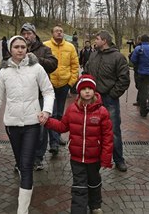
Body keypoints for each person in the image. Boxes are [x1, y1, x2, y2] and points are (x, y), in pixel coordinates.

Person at [0, 36, 55, 214]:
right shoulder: (4, 72)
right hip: (12, 124)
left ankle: (22, 210)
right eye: (16, 47)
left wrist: (46, 111)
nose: (20, 50)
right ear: (10, 50)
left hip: (32, 123)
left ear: (27, 49)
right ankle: (26, 188)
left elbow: (48, 91)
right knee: (20, 162)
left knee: (26, 164)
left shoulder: (36, 68)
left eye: (23, 46)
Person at [44, 74, 112, 214]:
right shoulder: (72, 109)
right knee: (79, 186)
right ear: (79, 91)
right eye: (84, 89)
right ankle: (78, 210)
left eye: (90, 88)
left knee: (94, 183)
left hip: (94, 157)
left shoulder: (102, 112)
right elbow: (63, 126)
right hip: (76, 158)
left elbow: (107, 137)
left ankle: (95, 205)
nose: (87, 91)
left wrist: (106, 158)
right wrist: (47, 121)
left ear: (94, 91)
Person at [83, 30, 130, 172]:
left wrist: (112, 94)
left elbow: (124, 79)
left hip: (109, 99)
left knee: (113, 130)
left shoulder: (118, 57)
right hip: (92, 98)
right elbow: (86, 71)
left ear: (104, 41)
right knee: (91, 129)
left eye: (97, 39)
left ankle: (119, 159)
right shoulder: (93, 54)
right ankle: (93, 159)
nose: (94, 41)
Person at [20, 22, 58, 170]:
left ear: (34, 34)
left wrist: (37, 59)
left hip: (40, 94)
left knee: (41, 128)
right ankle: (24, 157)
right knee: (24, 127)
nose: (26, 36)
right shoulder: (17, 48)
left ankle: (38, 157)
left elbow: (53, 64)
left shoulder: (44, 49)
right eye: (24, 33)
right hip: (23, 94)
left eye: (28, 33)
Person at [44, 24, 79, 155]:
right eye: (56, 31)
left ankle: (57, 137)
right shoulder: (45, 46)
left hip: (64, 84)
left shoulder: (70, 47)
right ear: (52, 33)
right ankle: (53, 143)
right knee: (51, 113)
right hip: (49, 85)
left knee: (59, 113)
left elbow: (75, 66)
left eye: (61, 31)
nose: (59, 33)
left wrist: (71, 82)